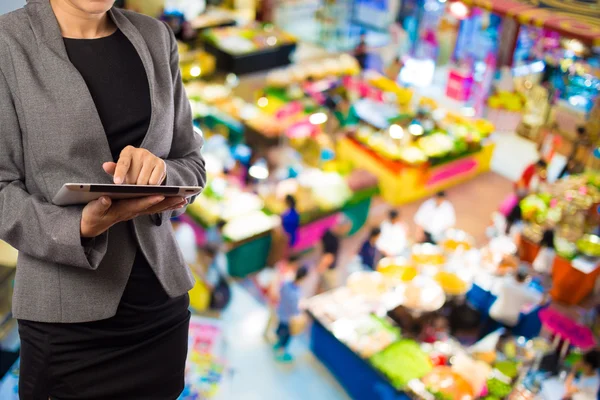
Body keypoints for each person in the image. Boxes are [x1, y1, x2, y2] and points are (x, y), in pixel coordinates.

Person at [0, 1, 206, 398]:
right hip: (66, 327)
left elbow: (192, 165)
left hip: (158, 311)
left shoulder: (155, 37)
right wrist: (78, 227)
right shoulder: (8, 44)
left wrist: (162, 173)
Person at [264, 254, 302, 343]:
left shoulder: (281, 266)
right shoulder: (289, 274)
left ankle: (267, 332)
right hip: (277, 300)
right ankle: (268, 334)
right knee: (274, 318)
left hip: (275, 298)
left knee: (272, 317)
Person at [275, 266, 309, 363]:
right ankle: (280, 353)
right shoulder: (296, 294)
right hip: (288, 318)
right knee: (286, 337)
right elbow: (295, 310)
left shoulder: (286, 283)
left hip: (281, 312)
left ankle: (277, 344)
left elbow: (280, 293)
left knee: (280, 330)